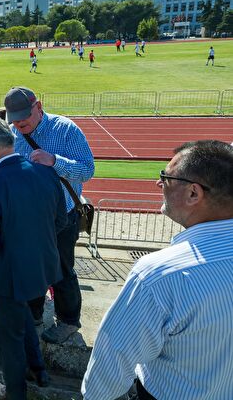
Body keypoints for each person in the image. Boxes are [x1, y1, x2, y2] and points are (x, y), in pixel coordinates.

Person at [82, 140, 233, 400]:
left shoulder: (160, 274)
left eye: (166, 177)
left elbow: (113, 359)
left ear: (193, 194)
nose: (158, 184)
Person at [0, 118, 66, 400]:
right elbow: (59, 220)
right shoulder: (46, 173)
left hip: (8, 275)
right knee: (23, 317)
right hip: (42, 267)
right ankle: (38, 370)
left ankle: (14, 391)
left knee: (9, 336)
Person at [4, 86, 95, 344]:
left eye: (24, 116)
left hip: (63, 217)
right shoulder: (13, 134)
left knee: (62, 269)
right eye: (15, 118)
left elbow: (87, 170)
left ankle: (67, 320)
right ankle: (33, 315)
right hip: (27, 218)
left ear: (39, 106)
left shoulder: (66, 130)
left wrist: (54, 161)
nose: (20, 123)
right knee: (30, 266)